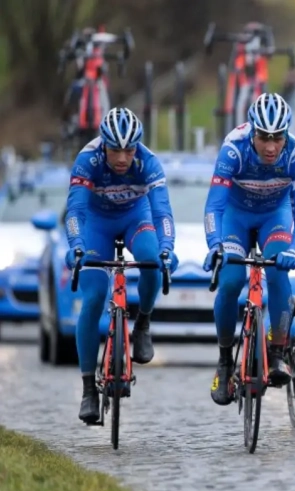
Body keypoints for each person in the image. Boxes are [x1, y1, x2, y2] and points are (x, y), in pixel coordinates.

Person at [64, 107, 178, 423]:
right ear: (104, 145)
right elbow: (75, 211)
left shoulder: (148, 162)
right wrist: (76, 246)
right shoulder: (88, 160)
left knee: (151, 259)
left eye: (129, 149)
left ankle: (142, 323)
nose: (123, 158)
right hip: (96, 225)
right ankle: (89, 388)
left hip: (134, 218)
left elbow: (162, 212)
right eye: (116, 149)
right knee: (93, 298)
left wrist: (167, 248)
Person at [203, 92, 295, 406]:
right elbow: (214, 205)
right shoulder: (233, 149)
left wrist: (294, 247)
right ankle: (225, 360)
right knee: (231, 281)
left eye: (277, 138)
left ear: (285, 135)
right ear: (252, 132)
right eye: (263, 137)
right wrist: (215, 245)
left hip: (274, 218)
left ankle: (277, 352)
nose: (270, 146)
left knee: (279, 275)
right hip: (235, 219)